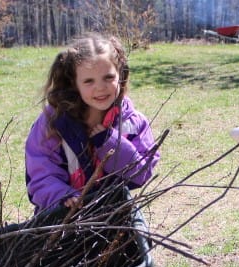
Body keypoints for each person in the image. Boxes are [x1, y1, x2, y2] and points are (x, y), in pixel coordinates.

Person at [25, 33, 160, 214]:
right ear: (74, 83)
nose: (100, 87)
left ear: (120, 74)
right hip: (63, 220)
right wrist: (63, 197)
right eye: (89, 81)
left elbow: (141, 173)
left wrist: (110, 143)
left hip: (113, 218)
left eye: (108, 78)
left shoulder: (133, 122)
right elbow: (41, 174)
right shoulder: (53, 124)